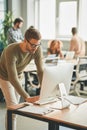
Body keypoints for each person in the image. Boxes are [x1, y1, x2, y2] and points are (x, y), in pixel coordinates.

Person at [0, 27, 44, 130]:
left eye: (38, 45)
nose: (35, 48)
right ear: (25, 40)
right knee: (13, 106)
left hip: (18, 75)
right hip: (4, 77)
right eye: (33, 45)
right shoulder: (11, 50)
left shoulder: (37, 48)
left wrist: (44, 88)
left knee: (13, 108)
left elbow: (40, 71)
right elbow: (12, 77)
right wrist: (27, 96)